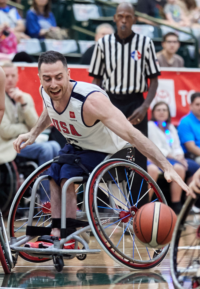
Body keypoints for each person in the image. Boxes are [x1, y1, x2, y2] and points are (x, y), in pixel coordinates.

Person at [13, 51, 193, 249]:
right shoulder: (46, 90)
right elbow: (50, 109)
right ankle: (58, 233)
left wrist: (165, 165)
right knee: (54, 171)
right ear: (40, 78)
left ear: (68, 73)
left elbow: (133, 135)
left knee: (66, 172)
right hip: (79, 147)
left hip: (112, 151)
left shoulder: (91, 101)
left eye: (58, 77)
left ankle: (70, 237)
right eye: (47, 79)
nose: (53, 84)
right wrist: (33, 133)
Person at [89, 2, 160, 208]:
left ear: (134, 19)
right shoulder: (103, 44)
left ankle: (139, 212)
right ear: (114, 18)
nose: (124, 20)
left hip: (136, 103)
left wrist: (145, 106)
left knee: (139, 157)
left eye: (128, 17)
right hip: (109, 102)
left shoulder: (145, 44)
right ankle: (101, 211)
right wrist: (96, 106)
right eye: (120, 16)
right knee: (104, 155)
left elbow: (154, 80)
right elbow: (96, 81)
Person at [0, 62, 60, 202]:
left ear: (17, 77)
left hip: (25, 142)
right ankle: (46, 201)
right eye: (6, 75)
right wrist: (26, 129)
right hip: (8, 145)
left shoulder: (25, 97)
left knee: (55, 146)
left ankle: (57, 197)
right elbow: (5, 131)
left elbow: (36, 126)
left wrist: (24, 104)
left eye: (12, 75)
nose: (9, 79)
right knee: (45, 149)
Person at [147, 101, 199, 214]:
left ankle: (184, 204)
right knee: (174, 168)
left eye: (164, 110)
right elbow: (157, 148)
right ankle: (147, 205)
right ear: (153, 112)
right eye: (158, 110)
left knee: (189, 167)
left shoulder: (169, 127)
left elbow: (176, 146)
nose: (162, 112)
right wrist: (178, 159)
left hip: (172, 158)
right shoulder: (150, 126)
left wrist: (180, 156)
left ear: (168, 113)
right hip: (156, 158)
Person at [178, 92, 200, 166]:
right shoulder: (185, 122)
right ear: (191, 106)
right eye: (197, 104)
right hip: (194, 157)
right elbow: (191, 147)